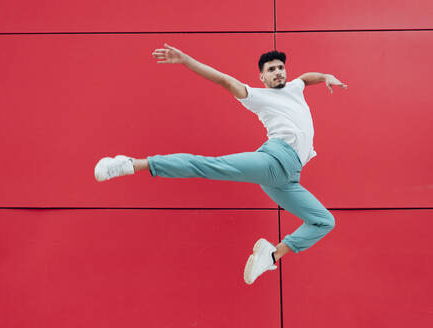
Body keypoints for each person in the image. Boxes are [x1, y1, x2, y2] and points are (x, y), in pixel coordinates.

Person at [94, 43, 348, 285]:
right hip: (274, 159)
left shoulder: (295, 87)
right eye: (271, 70)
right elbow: (225, 80)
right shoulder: (258, 96)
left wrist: (326, 75)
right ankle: (132, 164)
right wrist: (186, 61)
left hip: (289, 177)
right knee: (209, 166)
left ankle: (271, 256)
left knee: (324, 221)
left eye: (280, 67)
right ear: (262, 77)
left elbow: (307, 77)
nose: (278, 72)